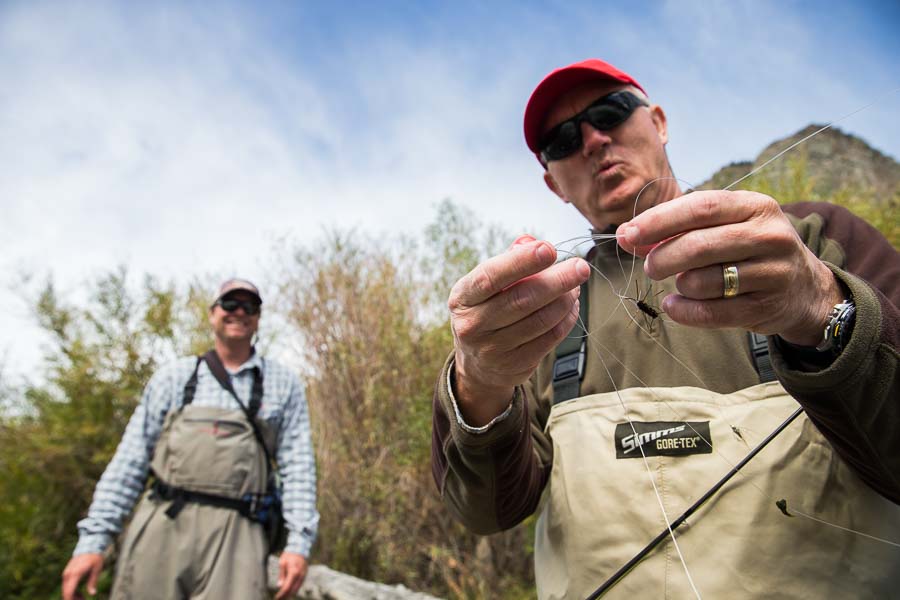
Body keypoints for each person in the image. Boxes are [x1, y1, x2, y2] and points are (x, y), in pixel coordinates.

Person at [431, 59, 900, 598]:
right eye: (561, 140)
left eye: (610, 111)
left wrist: (824, 307)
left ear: (658, 122)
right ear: (552, 183)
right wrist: (478, 385)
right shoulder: (541, 316)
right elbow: (487, 511)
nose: (592, 140)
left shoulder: (814, 239)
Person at [62, 279, 319, 600]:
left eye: (249, 306)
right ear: (213, 314)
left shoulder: (283, 384)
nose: (239, 312)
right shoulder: (175, 377)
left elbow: (299, 468)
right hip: (164, 524)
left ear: (258, 318)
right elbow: (130, 462)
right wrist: (93, 542)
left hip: (238, 534)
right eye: (229, 304)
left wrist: (298, 544)